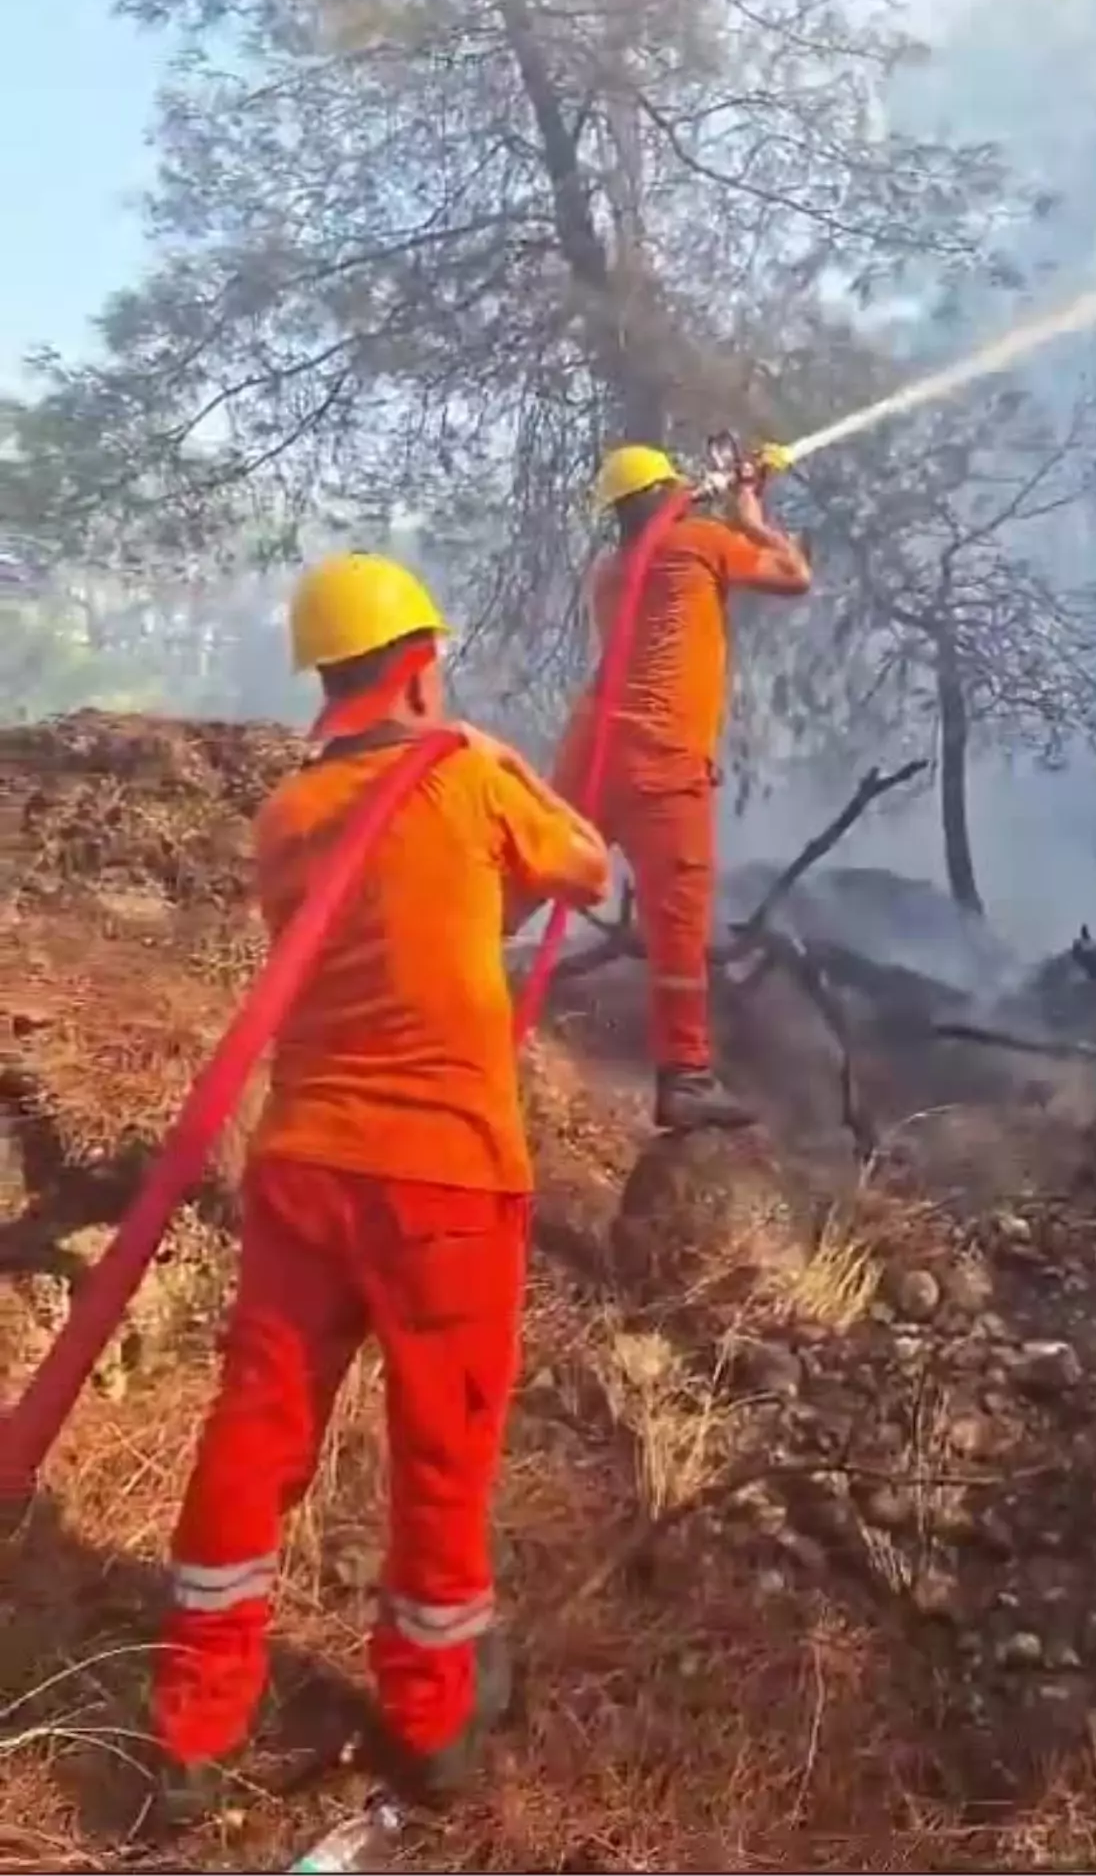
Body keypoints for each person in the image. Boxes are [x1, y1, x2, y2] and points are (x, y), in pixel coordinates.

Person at [150, 552, 610, 1827]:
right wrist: (505, 762)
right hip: (444, 1181)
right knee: (441, 1450)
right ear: (418, 665)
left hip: (303, 1164)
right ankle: (429, 1717)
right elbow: (590, 870)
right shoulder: (466, 774)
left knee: (256, 1431)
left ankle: (192, 1724)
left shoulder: (288, 817)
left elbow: (388, 923)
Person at [550, 443, 812, 1133]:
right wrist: (751, 510)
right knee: (678, 928)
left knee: (528, 880)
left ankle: (425, 982)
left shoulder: (611, 573)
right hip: (664, 763)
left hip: (593, 754)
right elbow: (795, 575)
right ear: (670, 495)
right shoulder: (700, 541)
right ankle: (685, 1075)